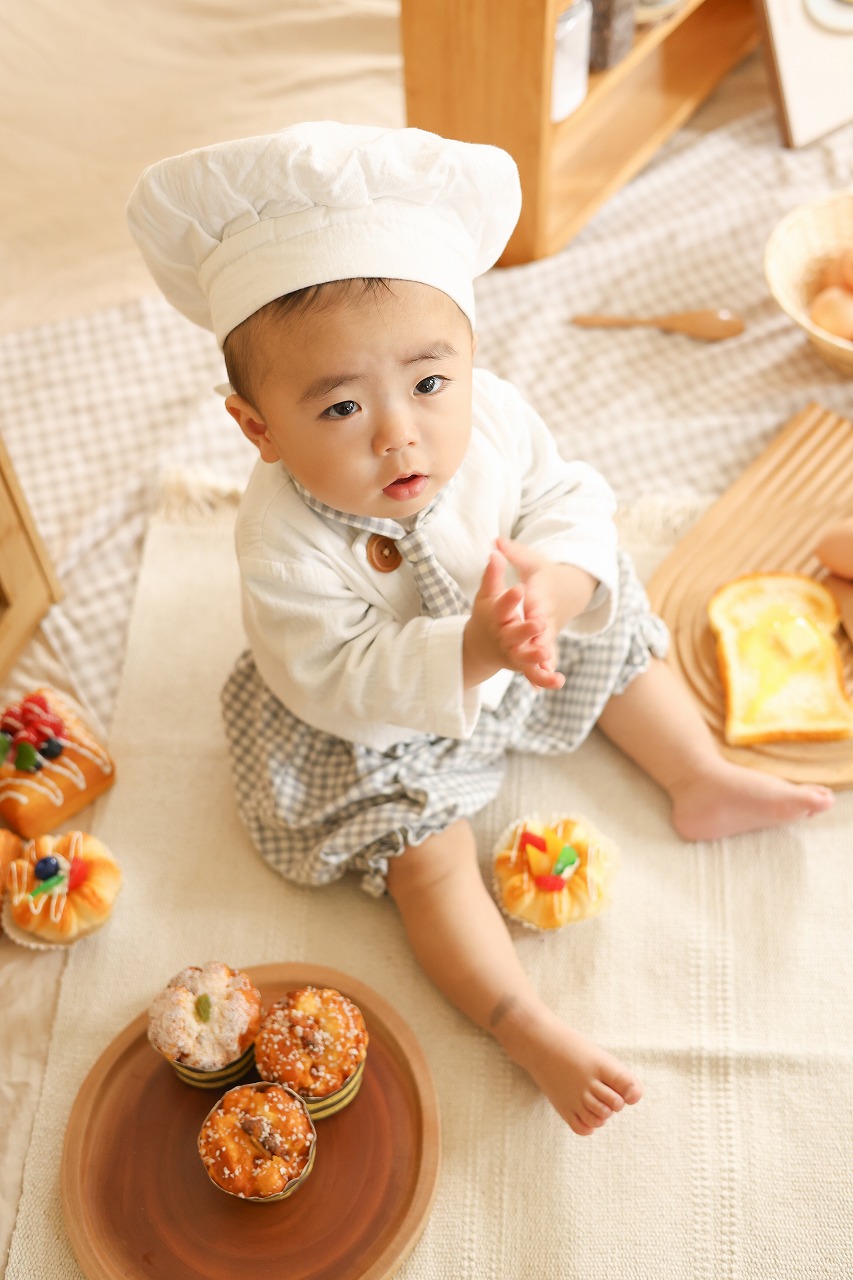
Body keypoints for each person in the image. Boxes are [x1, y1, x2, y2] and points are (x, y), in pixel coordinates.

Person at [127, 122, 834, 1136]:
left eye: (428, 383)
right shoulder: (282, 542)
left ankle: (695, 775)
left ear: (467, 361)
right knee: (424, 856)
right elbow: (334, 675)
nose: (399, 433)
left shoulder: (493, 415)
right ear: (258, 428)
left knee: (614, 625)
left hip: (519, 636)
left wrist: (557, 585)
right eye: (340, 408)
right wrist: (468, 652)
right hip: (381, 727)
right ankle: (520, 1018)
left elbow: (567, 496)